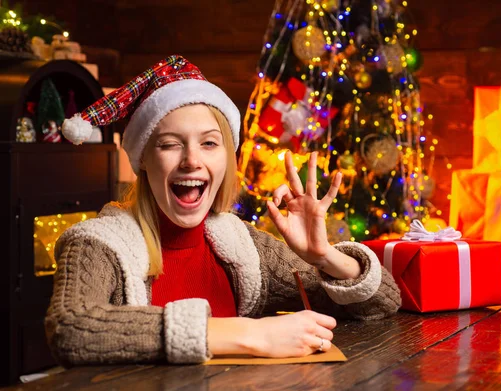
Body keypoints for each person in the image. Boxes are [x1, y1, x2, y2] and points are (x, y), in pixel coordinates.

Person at [46, 55, 401, 366]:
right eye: (170, 145)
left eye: (209, 143)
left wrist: (324, 257)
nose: (192, 161)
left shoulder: (239, 245)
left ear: (226, 159)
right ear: (144, 162)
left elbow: (383, 302)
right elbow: (71, 328)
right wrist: (250, 335)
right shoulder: (99, 243)